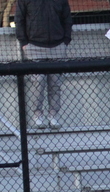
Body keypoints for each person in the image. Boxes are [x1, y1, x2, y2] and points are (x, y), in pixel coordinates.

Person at [15, 0, 72, 130]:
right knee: (38, 81)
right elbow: (19, 19)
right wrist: (24, 42)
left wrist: (66, 40)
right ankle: (37, 115)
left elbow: (67, 19)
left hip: (57, 45)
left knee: (55, 83)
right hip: (34, 46)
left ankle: (53, 115)